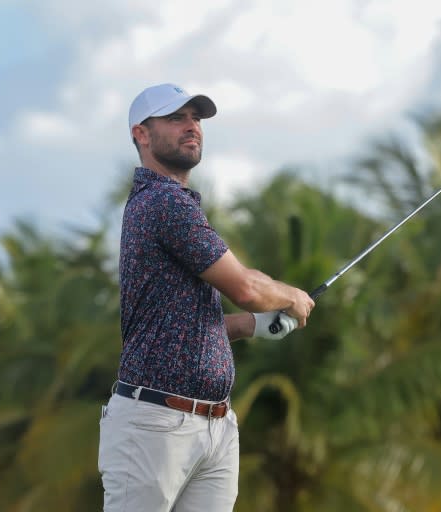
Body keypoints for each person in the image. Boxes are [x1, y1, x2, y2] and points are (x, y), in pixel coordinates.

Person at [98, 83, 315, 512]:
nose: (191, 127)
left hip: (214, 428)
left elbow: (181, 325)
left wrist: (252, 326)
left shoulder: (177, 205)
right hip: (154, 425)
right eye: (176, 118)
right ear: (141, 134)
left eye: (195, 118)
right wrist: (290, 296)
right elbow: (246, 289)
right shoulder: (163, 202)